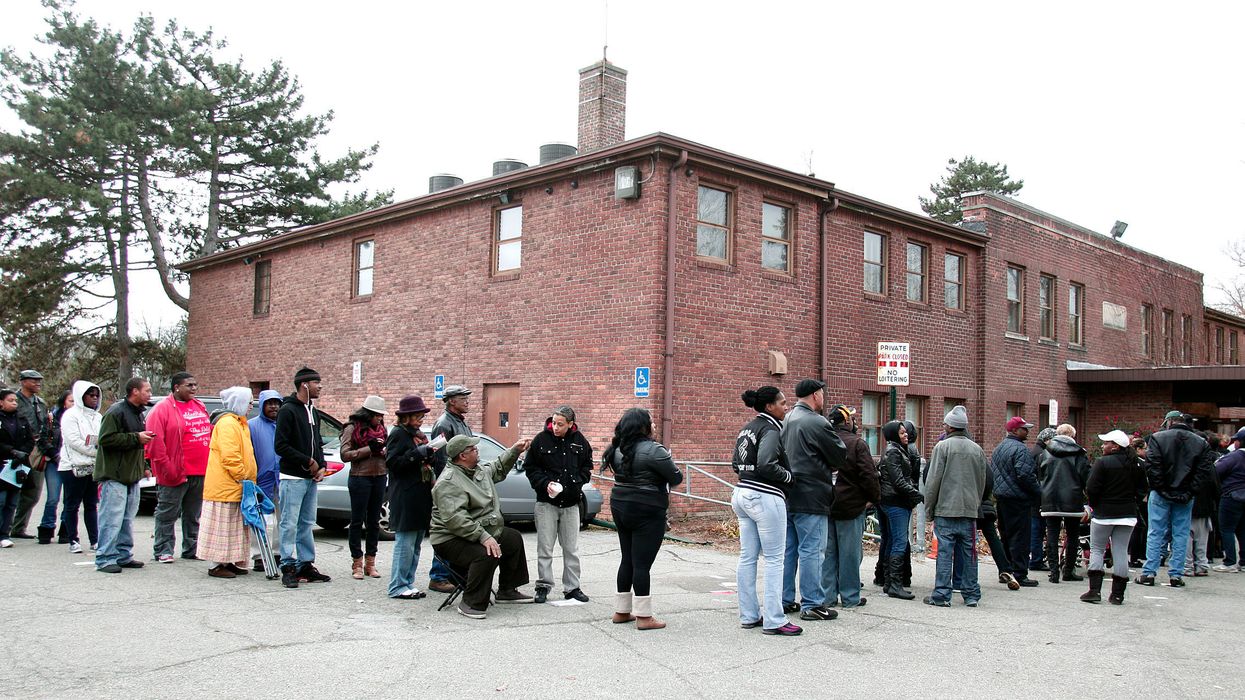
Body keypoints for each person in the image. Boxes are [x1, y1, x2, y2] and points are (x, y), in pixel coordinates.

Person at [430, 434, 533, 619]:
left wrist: (515, 450)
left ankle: (507, 590)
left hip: (474, 530)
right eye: (474, 449)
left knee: (512, 538)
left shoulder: (476, 470)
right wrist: (483, 536)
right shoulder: (448, 482)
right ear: (462, 455)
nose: (478, 451)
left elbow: (498, 467)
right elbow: (455, 520)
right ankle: (471, 602)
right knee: (487, 553)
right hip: (449, 538)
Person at [603, 407, 682, 630]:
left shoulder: (617, 448)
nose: (655, 425)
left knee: (627, 558)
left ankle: (621, 611)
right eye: (651, 422)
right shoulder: (655, 450)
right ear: (643, 427)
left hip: (620, 504)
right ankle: (644, 617)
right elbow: (676, 476)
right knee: (642, 564)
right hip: (648, 508)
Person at [731, 387, 800, 636]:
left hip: (741, 492)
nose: (786, 406)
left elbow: (735, 463)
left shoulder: (747, 427)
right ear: (770, 407)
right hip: (765, 495)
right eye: (782, 403)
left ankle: (749, 615)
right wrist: (790, 477)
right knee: (774, 559)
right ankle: (774, 619)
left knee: (747, 556)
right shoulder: (771, 429)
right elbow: (767, 464)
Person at [780, 379, 844, 622]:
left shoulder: (787, 419)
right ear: (816, 395)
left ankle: (785, 599)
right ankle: (813, 603)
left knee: (789, 550)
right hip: (812, 494)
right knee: (812, 550)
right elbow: (839, 456)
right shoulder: (817, 422)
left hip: (787, 492)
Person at [1137, 411, 1216, 587]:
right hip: (1185, 494)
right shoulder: (1200, 443)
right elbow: (1203, 472)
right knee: (1181, 533)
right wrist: (1189, 492)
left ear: (1169, 422)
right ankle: (1176, 574)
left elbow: (1152, 467)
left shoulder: (1158, 439)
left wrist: (1161, 489)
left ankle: (1149, 572)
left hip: (1161, 493)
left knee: (1156, 532)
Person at [923, 405, 990, 607]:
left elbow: (933, 481)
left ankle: (942, 594)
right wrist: (975, 503)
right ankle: (971, 594)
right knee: (970, 554)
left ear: (950, 427)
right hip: (969, 511)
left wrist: (929, 510)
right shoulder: (976, 449)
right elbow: (982, 481)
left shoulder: (942, 448)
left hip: (946, 509)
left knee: (944, 553)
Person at [525, 405, 593, 604]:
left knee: (571, 548)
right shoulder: (540, 440)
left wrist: (576, 483)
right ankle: (543, 586)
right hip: (546, 503)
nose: (555, 427)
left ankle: (572, 588)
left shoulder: (580, 442)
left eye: (560, 424)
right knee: (544, 548)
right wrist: (545, 484)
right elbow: (531, 468)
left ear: (571, 424)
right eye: (553, 423)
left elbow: (587, 466)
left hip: (571, 504)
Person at [145, 372, 212, 563]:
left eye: (195, 385)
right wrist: (167, 468)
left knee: (193, 514)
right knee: (167, 513)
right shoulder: (162, 410)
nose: (194, 389)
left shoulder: (199, 405)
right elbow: (154, 443)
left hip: (199, 471)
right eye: (189, 385)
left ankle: (192, 548)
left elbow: (205, 431)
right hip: (174, 472)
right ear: (176, 387)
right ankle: (163, 549)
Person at [274, 366, 331, 588]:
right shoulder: (288, 410)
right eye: (317, 383)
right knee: (289, 522)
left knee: (307, 522)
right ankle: (287, 566)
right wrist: (306, 461)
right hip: (292, 477)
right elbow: (280, 445)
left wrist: (322, 465)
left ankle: (305, 563)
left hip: (310, 479)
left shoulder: (312, 410)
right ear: (304, 385)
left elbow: (317, 442)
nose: (321, 386)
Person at [93, 377, 156, 573]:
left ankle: (123, 555)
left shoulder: (138, 413)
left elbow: (138, 444)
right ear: (134, 391)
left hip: (132, 474)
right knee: (111, 518)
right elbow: (105, 439)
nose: (150, 394)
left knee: (127, 518)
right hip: (114, 475)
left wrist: (144, 465)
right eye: (147, 390)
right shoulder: (116, 412)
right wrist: (136, 438)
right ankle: (105, 558)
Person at [1081, 430, 1147, 604]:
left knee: (1097, 549)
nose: (1103, 446)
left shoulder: (1102, 463)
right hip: (1127, 514)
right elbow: (1142, 490)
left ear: (1115, 446)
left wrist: (1095, 504)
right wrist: (1133, 502)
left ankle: (1094, 591)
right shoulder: (1137, 464)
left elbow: (1092, 488)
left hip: (1103, 513)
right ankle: (1118, 594)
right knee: (1120, 551)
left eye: (1106, 443)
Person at [824, 404, 879, 609]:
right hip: (852, 506)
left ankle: (827, 596)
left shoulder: (824, 442)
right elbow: (869, 475)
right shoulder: (857, 444)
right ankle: (850, 597)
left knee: (828, 554)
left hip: (826, 504)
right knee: (849, 554)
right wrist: (873, 498)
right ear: (847, 421)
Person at [199, 387, 257, 579]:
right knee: (221, 528)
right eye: (248, 402)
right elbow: (230, 456)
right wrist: (242, 476)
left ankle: (229, 561)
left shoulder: (240, 423)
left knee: (233, 528)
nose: (251, 406)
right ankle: (216, 564)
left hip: (236, 485)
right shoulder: (227, 424)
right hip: (226, 486)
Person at [385, 395, 438, 599]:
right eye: (417, 415)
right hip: (405, 495)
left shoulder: (415, 434)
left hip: (419, 494)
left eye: (422, 415)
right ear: (406, 417)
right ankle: (397, 585)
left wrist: (428, 453)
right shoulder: (398, 434)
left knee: (415, 543)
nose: (421, 418)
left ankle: (408, 582)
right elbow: (393, 463)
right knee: (405, 542)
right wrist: (418, 453)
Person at [426, 384, 473, 594]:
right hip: (450, 484)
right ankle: (438, 576)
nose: (467, 402)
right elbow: (438, 456)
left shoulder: (462, 423)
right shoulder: (443, 424)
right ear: (452, 401)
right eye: (463, 398)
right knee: (446, 528)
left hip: (463, 482)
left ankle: (455, 574)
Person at [340, 395, 389, 580]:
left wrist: (384, 451)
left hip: (379, 475)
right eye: (377, 415)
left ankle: (371, 562)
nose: (379, 419)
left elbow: (389, 451)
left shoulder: (382, 429)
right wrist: (370, 449)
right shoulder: (351, 428)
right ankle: (357, 563)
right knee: (356, 520)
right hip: (360, 477)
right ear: (367, 414)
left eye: (381, 416)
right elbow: (345, 454)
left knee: (374, 522)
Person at [990, 415, 1041, 587]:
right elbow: (1025, 475)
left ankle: (1006, 570)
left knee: (1006, 536)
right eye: (1024, 428)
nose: (1027, 431)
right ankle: (1019, 573)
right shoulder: (1021, 449)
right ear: (1014, 430)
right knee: (1020, 537)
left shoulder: (999, 448)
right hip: (1018, 499)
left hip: (1002, 498)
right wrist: (1037, 492)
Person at [1039, 424, 1089, 583]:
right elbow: (1085, 477)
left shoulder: (1045, 453)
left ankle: (1053, 572)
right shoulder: (1079, 453)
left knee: (1052, 534)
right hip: (1072, 498)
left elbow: (1040, 475)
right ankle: (1068, 570)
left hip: (1050, 498)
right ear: (1072, 436)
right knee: (1073, 535)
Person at [878, 420, 923, 600]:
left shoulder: (896, 450)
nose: (906, 435)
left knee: (892, 540)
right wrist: (916, 494)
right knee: (899, 541)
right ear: (894, 435)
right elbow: (898, 480)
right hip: (896, 502)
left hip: (894, 501)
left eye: (906, 433)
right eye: (902, 433)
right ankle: (895, 585)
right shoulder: (893, 452)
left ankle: (890, 583)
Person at [58, 381, 102, 554]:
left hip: (92, 465)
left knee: (91, 504)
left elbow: (101, 438)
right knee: (72, 504)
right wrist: (94, 452)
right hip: (72, 466)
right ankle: (73, 540)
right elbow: (74, 440)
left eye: (96, 395)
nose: (94, 398)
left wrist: (98, 453)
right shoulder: (71, 415)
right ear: (80, 396)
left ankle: (95, 539)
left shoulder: (98, 417)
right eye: (90, 395)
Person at [11, 369, 52, 540]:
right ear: (23, 381)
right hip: (16, 450)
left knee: (33, 492)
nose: (38, 383)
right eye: (33, 380)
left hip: (36, 451)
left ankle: (18, 528)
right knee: (10, 492)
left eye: (39, 380)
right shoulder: (12, 400)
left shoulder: (40, 403)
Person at [247, 389, 283, 571]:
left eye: (277, 403)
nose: (274, 407)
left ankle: (276, 553)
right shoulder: (252, 425)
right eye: (270, 403)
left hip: (281, 478)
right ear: (262, 405)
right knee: (261, 519)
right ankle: (259, 555)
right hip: (261, 479)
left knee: (280, 518)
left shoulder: (284, 424)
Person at [0, 388, 35, 548]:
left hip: (18, 465)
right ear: (1, 402)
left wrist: (23, 453)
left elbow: (30, 439)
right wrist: (11, 451)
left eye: (15, 400)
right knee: (1, 500)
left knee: (12, 501)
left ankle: (4, 534)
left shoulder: (21, 419)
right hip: (2, 463)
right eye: (10, 400)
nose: (14, 403)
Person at [1185, 432, 1221, 577]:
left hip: (1185, 504)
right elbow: (1216, 488)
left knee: (1185, 540)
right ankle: (1201, 565)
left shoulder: (1184, 462)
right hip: (1204, 506)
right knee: (1201, 539)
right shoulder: (1209, 466)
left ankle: (1186, 566)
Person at [37, 389, 70, 545]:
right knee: (53, 498)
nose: (73, 404)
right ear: (64, 402)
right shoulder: (52, 419)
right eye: (70, 401)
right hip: (55, 462)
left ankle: (66, 530)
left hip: (72, 463)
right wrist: (56, 456)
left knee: (69, 499)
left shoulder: (81, 419)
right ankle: (46, 528)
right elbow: (43, 440)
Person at [1214, 428, 1245, 573]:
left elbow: (1216, 471)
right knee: (1243, 529)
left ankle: (1230, 562)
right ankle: (1244, 561)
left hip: (1232, 496)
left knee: (1227, 529)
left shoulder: (1234, 457)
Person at [1028, 427, 1056, 571]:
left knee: (1035, 529)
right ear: (1048, 440)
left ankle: (1036, 558)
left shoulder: (1034, 452)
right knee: (1037, 529)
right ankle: (1037, 560)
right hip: (1039, 498)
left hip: (1033, 498)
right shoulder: (1042, 454)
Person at [1127, 437, 1150, 567]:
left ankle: (1134, 555)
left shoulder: (1129, 462)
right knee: (1139, 527)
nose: (1147, 451)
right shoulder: (1141, 464)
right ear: (1138, 449)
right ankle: (1135, 556)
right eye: (1145, 448)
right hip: (1137, 499)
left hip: (1131, 498)